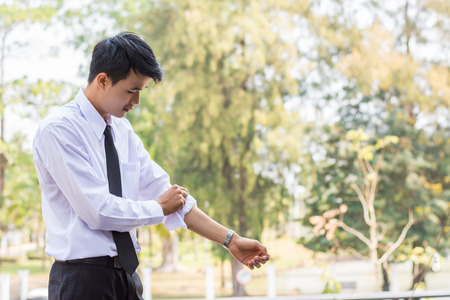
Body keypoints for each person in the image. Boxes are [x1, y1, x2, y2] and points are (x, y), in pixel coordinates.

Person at [33, 31, 270, 300]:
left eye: (141, 91)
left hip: (127, 278)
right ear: (103, 80)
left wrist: (231, 240)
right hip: (81, 281)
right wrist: (158, 207)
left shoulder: (123, 132)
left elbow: (171, 196)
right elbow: (98, 210)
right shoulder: (60, 130)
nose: (136, 102)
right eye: (131, 91)